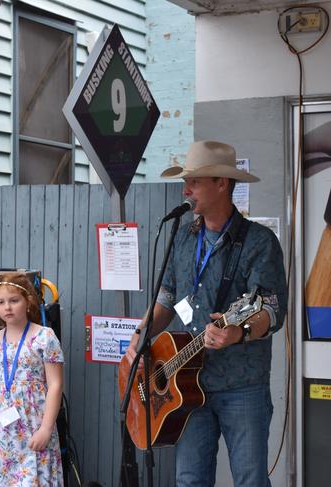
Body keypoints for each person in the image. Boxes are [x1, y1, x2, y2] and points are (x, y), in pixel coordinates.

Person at [124, 140, 288, 487]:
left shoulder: (259, 242)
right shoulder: (182, 236)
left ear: (221, 184)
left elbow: (271, 311)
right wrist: (140, 338)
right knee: (189, 481)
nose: (186, 190)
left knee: (250, 481)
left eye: (194, 182)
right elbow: (166, 300)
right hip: (185, 385)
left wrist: (239, 333)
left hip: (241, 385)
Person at [0, 272, 65, 486]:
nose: (7, 307)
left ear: (28, 301)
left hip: (34, 425)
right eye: (1, 302)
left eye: (14, 300)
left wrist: (46, 428)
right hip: (0, 431)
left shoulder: (44, 337)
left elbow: (56, 384)